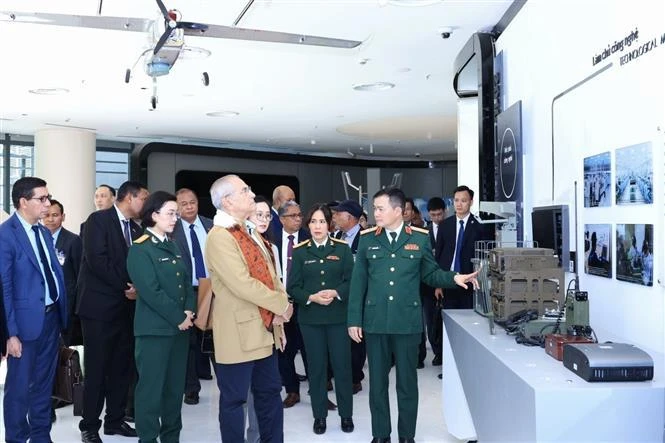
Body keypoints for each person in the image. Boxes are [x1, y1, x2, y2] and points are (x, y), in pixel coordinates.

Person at [347, 187, 479, 443]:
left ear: (398, 211)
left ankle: (407, 436)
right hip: (375, 323)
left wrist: (455, 277)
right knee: (378, 385)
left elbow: (431, 274)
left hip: (407, 323)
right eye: (375, 208)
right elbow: (358, 283)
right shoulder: (367, 239)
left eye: (380, 208)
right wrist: (354, 319)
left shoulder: (419, 238)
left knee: (407, 385)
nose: (376, 213)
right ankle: (381, 435)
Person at [205, 174, 292, 442]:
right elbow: (241, 284)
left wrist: (282, 304)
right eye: (245, 191)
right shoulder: (220, 237)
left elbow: (272, 275)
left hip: (265, 330)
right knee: (235, 401)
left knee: (269, 396)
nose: (252, 195)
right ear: (228, 201)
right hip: (239, 335)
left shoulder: (249, 233)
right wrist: (281, 304)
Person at [77, 180, 147, 443]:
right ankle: (90, 426)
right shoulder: (98, 220)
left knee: (122, 368)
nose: (145, 204)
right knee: (97, 369)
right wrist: (127, 286)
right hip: (98, 308)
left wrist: (136, 288)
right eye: (143, 198)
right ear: (129, 197)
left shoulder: (137, 228)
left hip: (127, 309)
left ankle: (115, 421)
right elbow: (98, 260)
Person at [1, 177, 68, 443]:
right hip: (23, 327)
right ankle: (16, 438)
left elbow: (50, 274)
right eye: (42, 199)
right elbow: (4, 289)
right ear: (23, 202)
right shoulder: (6, 235)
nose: (47, 204)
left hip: (50, 321)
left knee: (43, 386)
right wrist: (10, 334)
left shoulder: (43, 232)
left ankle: (41, 437)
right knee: (18, 390)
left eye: (48, 197)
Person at [127, 191, 196, 443]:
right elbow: (150, 291)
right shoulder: (140, 248)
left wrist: (189, 310)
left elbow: (186, 283)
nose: (175, 218)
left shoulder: (173, 244)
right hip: (154, 331)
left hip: (179, 330)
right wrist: (179, 316)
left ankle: (171, 438)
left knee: (173, 390)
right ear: (154, 215)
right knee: (150, 391)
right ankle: (148, 438)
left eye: (176, 214)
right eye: (170, 213)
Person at [288, 204, 355, 435]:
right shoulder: (300, 251)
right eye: (313, 222)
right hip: (311, 320)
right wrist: (311, 297)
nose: (317, 226)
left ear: (330, 224)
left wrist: (336, 293)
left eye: (322, 222)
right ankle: (320, 416)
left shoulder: (343, 249)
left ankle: (346, 415)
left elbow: (351, 281)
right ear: (308, 225)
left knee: (342, 367)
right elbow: (293, 287)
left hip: (338, 318)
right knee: (316, 369)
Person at [244, 195, 282, 443]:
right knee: (247, 391)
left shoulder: (271, 247)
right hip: (247, 324)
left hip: (270, 326)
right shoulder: (238, 245)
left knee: (267, 389)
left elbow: (279, 286)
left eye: (268, 215)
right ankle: (253, 436)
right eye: (259, 214)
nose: (264, 219)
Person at [172, 188, 214, 405]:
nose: (188, 206)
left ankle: (224, 383)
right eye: (183, 203)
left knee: (213, 339)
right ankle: (191, 387)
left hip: (211, 290)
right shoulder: (172, 229)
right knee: (188, 341)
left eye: (192, 202)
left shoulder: (211, 225)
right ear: (177, 207)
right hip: (186, 290)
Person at [276, 200, 312, 408]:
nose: (298, 218)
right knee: (284, 350)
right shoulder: (270, 240)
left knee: (311, 349)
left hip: (306, 303)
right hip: (281, 304)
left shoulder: (308, 239)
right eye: (293, 215)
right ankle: (291, 391)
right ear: (281, 219)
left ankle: (318, 392)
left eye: (300, 214)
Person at [331, 199, 366, 394]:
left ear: (349, 217)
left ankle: (355, 378)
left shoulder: (366, 237)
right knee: (338, 338)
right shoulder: (336, 236)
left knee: (356, 339)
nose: (334, 217)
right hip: (337, 294)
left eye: (338, 213)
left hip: (357, 295)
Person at [435, 185, 488, 310]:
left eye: (463, 201)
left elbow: (483, 256)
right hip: (448, 280)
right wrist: (438, 284)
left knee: (467, 318)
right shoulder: (444, 225)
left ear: (471, 202)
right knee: (447, 320)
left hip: (470, 281)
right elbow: (438, 255)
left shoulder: (480, 226)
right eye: (456, 200)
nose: (459, 204)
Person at [43, 199, 83, 346]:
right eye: (46, 215)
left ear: (63, 217)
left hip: (67, 306)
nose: (50, 219)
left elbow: (80, 275)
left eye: (55, 215)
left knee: (64, 350)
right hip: (43, 305)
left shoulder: (74, 240)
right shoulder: (38, 238)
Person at [421, 197, 446, 367]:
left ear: (445, 211)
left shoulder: (451, 228)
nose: (436, 218)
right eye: (433, 215)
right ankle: (437, 352)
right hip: (428, 285)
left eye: (439, 214)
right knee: (431, 320)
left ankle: (447, 353)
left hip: (448, 281)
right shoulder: (424, 233)